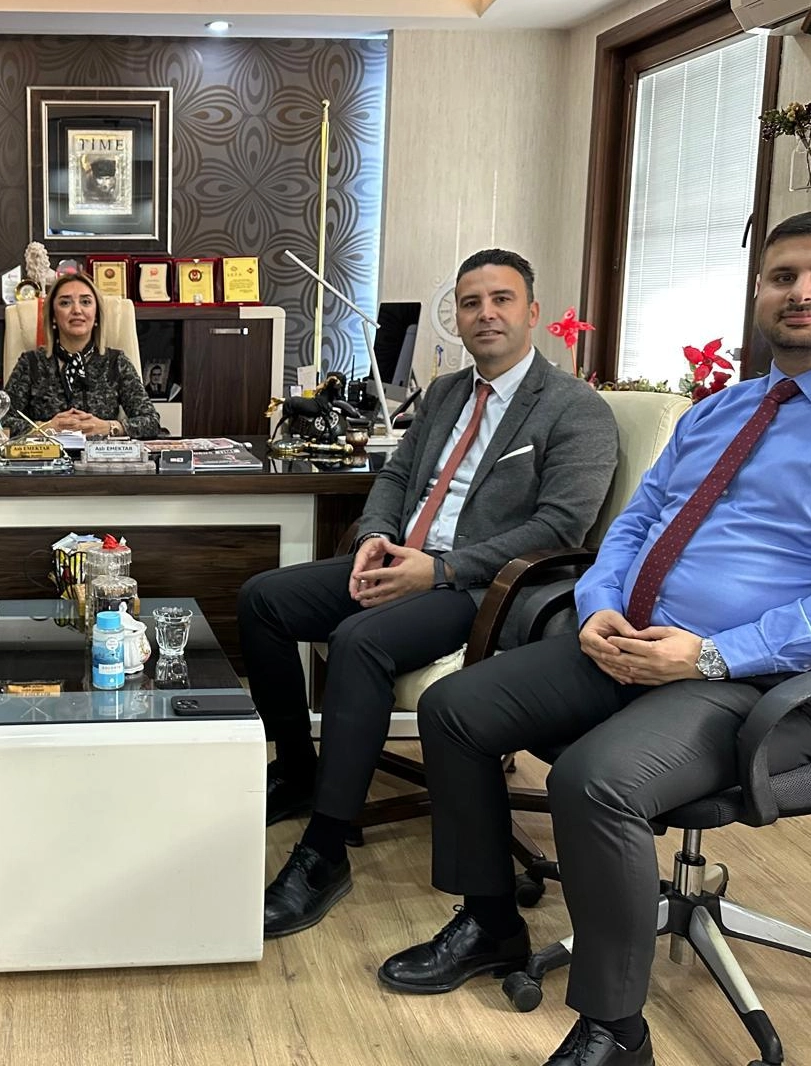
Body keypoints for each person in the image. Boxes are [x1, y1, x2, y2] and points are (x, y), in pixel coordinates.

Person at [380, 211, 811, 1066]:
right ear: (760, 290)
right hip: (631, 643)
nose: (801, 292)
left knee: (596, 781)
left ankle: (616, 1030)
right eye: (783, 276)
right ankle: (489, 922)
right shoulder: (718, 412)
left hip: (762, 682)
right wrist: (600, 605)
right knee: (454, 710)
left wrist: (708, 654)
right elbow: (633, 527)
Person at [240, 248, 620, 939]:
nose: (485, 314)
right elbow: (394, 475)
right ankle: (297, 770)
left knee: (359, 641)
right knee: (262, 599)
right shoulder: (445, 392)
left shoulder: (576, 409)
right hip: (403, 558)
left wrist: (440, 571)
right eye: (471, 303)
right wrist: (373, 538)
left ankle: (325, 851)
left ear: (533, 313)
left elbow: (560, 528)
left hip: (482, 586)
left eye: (501, 300)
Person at [5, 271, 161, 437]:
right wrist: (44, 428)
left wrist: (109, 427)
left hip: (100, 453)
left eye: (85, 302)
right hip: (47, 453)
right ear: (53, 316)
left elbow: (151, 422)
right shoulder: (31, 363)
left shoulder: (116, 362)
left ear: (96, 316)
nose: (77, 310)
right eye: (65, 303)